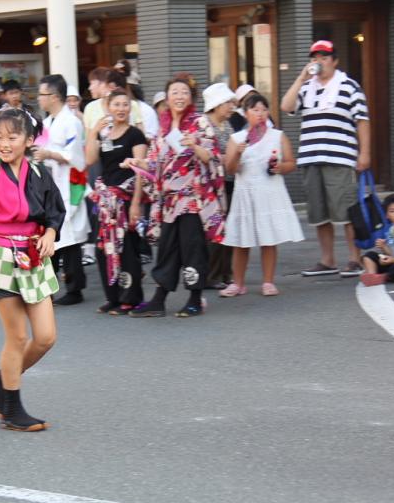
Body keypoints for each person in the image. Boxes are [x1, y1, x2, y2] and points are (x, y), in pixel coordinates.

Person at [0, 109, 65, 431]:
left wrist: (50, 234)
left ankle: (1, 380)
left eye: (13, 137)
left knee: (46, 337)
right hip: (1, 256)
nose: (4, 144)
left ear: (29, 140)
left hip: (33, 255)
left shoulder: (38, 172)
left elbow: (54, 212)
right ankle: (12, 408)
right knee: (18, 337)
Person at [127, 72, 225, 318]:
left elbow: (212, 158)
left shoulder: (199, 122)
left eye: (184, 92)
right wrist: (136, 162)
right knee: (168, 248)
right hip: (169, 200)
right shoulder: (162, 127)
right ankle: (159, 299)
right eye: (175, 93)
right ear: (167, 98)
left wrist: (194, 145)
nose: (179, 96)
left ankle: (194, 298)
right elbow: (154, 163)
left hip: (192, 198)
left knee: (192, 247)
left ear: (191, 97)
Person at [280, 40, 370, 278]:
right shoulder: (307, 87)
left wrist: (365, 153)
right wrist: (301, 78)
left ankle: (354, 258)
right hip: (311, 156)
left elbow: (362, 120)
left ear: (335, 60)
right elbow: (286, 106)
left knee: (347, 211)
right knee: (319, 213)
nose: (319, 61)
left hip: (340, 156)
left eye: (324, 57)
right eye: (315, 57)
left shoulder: (349, 86)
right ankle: (327, 260)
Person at [220, 94, 304, 297]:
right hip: (245, 192)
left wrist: (279, 167)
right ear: (246, 113)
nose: (260, 114)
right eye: (255, 110)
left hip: (269, 191)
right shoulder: (236, 139)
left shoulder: (278, 135)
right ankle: (237, 283)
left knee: (269, 238)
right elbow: (230, 169)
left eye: (263, 109)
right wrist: (238, 153)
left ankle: (268, 281)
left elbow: (291, 163)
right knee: (241, 240)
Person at [86, 89, 148, 314]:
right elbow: (90, 159)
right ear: (108, 108)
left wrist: (135, 204)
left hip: (125, 199)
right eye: (116, 104)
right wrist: (93, 132)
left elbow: (140, 170)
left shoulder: (135, 135)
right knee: (105, 249)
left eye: (125, 104)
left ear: (130, 108)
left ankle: (130, 298)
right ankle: (112, 297)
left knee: (127, 250)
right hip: (105, 203)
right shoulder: (104, 135)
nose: (121, 109)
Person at [34, 74, 88, 306]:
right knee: (51, 236)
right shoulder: (47, 123)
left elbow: (75, 155)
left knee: (70, 237)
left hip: (69, 183)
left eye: (42, 94)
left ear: (54, 97)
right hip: (50, 184)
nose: (39, 99)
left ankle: (75, 288)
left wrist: (50, 154)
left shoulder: (71, 121)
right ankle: (50, 285)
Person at [203, 83, 237, 290]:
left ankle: (226, 273)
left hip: (230, 181)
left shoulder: (228, 124)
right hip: (212, 183)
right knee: (214, 229)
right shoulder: (204, 123)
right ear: (215, 105)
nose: (231, 107)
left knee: (228, 229)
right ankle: (211, 275)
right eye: (227, 103)